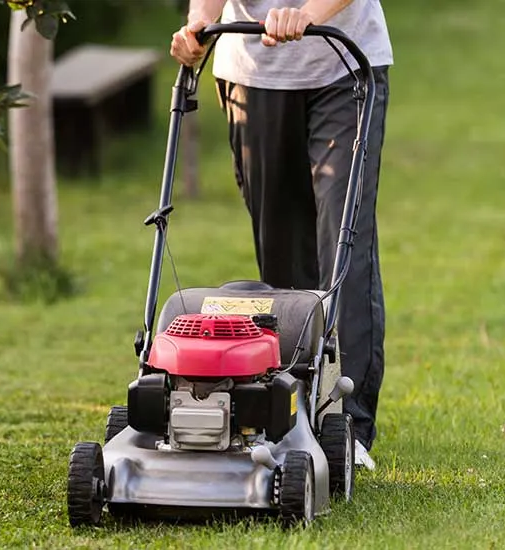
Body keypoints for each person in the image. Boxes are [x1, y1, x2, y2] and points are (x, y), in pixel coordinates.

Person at [170, 1, 392, 470]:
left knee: (342, 241)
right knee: (281, 261)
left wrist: (309, 12)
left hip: (342, 63)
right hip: (252, 74)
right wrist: (198, 24)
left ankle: (348, 427)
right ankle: (293, 414)